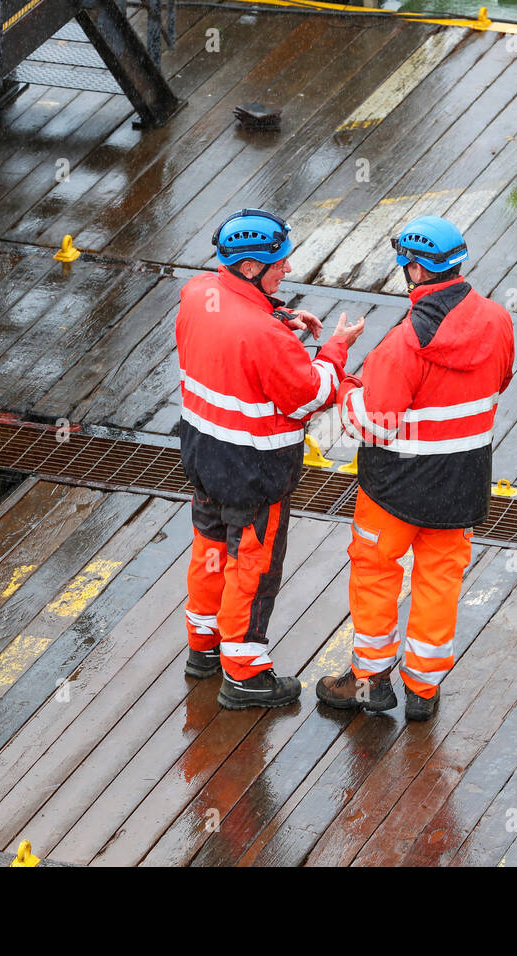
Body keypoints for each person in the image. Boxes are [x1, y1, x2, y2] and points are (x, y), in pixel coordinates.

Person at [316, 215, 514, 721]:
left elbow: (373, 425)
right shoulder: (497, 320)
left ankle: (370, 682)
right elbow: (498, 381)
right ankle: (424, 690)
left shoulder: (403, 344)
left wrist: (345, 388)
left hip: (394, 489)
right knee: (439, 580)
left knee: (376, 572)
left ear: (416, 272)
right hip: (461, 484)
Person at [178, 208, 365, 709]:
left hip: (203, 458)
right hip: (254, 474)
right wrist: (335, 348)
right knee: (252, 569)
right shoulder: (264, 336)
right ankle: (244, 675)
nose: (285, 269)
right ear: (248, 268)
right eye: (277, 263)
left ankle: (204, 650)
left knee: (210, 550)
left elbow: (235, 329)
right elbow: (312, 394)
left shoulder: (198, 293)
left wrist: (281, 317)